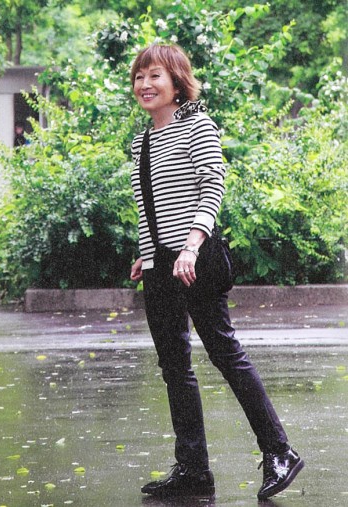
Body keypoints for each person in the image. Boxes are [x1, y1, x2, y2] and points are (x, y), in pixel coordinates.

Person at [129, 44, 304, 501]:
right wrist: (148, 254)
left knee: (225, 354)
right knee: (174, 367)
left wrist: (190, 246)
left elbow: (211, 187)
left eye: (154, 76)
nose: (145, 84)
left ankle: (279, 451)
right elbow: (153, 206)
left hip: (196, 261)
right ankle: (193, 469)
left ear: (176, 81)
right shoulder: (142, 140)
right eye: (139, 77)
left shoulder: (197, 125)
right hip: (160, 266)